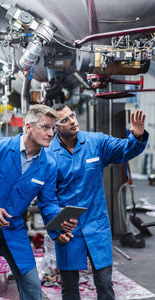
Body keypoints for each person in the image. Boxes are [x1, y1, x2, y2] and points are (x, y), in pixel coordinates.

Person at [0, 104, 77, 300]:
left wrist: (59, 222)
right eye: (45, 127)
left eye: (53, 128)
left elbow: (48, 203)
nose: (51, 133)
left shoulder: (48, 165)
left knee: (32, 287)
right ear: (28, 126)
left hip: (12, 229)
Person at [47, 103, 148, 300]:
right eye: (65, 120)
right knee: (69, 287)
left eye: (72, 116)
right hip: (68, 228)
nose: (72, 121)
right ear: (55, 127)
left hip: (96, 224)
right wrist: (56, 229)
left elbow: (124, 150)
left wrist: (136, 137)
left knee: (104, 283)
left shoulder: (96, 142)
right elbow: (47, 197)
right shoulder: (49, 154)